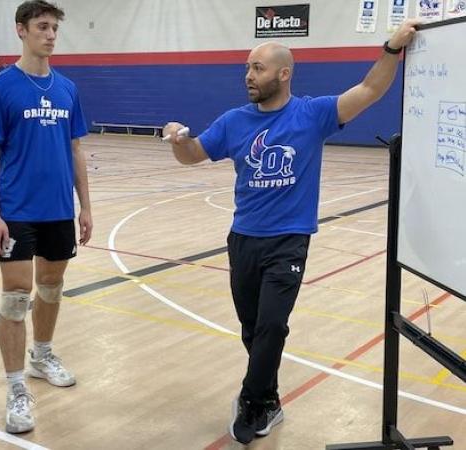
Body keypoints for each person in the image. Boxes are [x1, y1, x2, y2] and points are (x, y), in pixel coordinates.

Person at [163, 19, 419, 445]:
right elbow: (193, 155)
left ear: (283, 74)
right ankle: (271, 398)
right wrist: (177, 139)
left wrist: (391, 49)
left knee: (272, 326)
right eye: (247, 67)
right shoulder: (233, 121)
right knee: (252, 328)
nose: (248, 75)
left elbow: (370, 90)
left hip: (289, 239)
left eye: (258, 68)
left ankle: (251, 401)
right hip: (243, 238)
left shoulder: (312, 114)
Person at [0, 0, 92, 434]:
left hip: (59, 211)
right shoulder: (1, 87)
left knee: (51, 286)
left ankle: (42, 355)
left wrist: (86, 206)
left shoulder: (67, 89)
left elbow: (77, 149)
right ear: (21, 30)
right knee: (15, 296)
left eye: (54, 28)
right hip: (16, 211)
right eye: (42, 27)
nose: (50, 35)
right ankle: (14, 388)